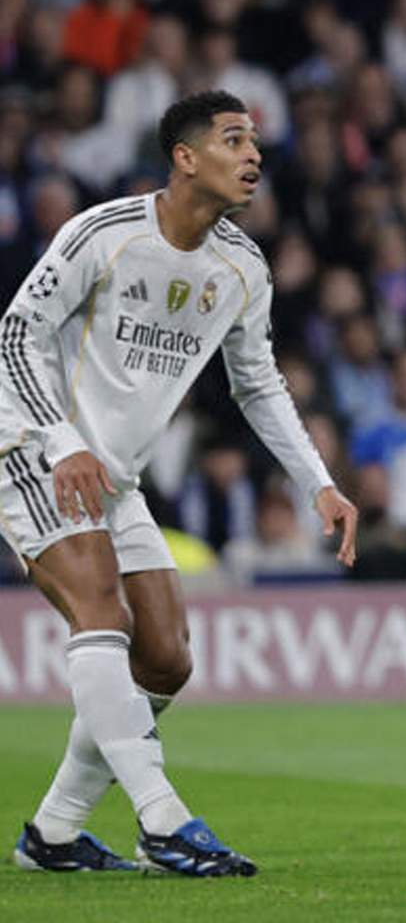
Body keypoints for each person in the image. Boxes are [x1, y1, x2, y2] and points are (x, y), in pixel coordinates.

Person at [5, 89, 359, 877]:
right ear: (185, 157)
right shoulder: (103, 233)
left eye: (257, 143)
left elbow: (260, 385)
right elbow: (15, 332)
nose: (255, 155)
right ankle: (164, 820)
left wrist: (319, 485)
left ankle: (54, 833)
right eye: (235, 139)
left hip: (114, 474)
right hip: (30, 444)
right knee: (102, 610)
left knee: (165, 658)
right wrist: (61, 443)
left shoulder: (242, 266)